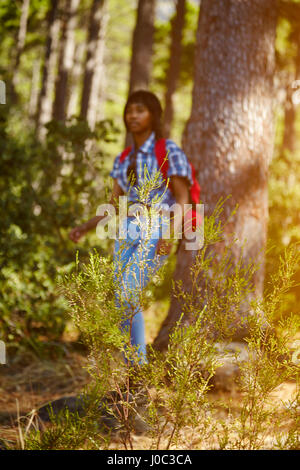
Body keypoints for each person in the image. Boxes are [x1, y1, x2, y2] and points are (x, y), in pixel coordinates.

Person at [69, 90, 193, 366]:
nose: (133, 116)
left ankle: (138, 367)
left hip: (157, 225)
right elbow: (113, 204)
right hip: (128, 228)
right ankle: (132, 368)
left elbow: (183, 199)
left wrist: (170, 236)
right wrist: (85, 227)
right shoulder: (124, 158)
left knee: (128, 293)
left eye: (140, 110)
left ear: (153, 115)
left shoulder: (167, 150)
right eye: (129, 111)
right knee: (122, 299)